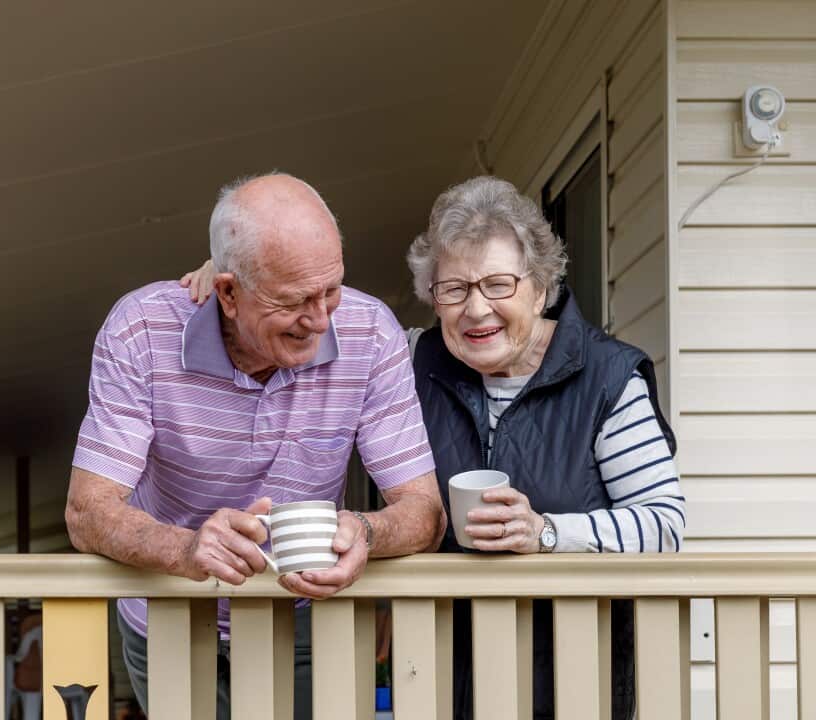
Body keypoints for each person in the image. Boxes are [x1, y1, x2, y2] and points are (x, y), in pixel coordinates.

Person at [181, 175, 685, 719]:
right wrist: (232, 291)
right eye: (455, 289)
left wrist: (547, 532)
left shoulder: (607, 378)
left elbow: (664, 524)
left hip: (573, 675)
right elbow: (295, 313)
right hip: (438, 675)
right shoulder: (407, 361)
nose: (476, 309)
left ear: (540, 288)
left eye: (498, 285)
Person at [66, 173, 446, 720]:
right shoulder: (140, 330)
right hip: (169, 609)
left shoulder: (371, 332)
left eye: (331, 290)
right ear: (226, 292)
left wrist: (367, 531)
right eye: (294, 301)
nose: (320, 320)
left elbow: (424, 512)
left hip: (305, 610)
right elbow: (87, 512)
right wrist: (185, 549)